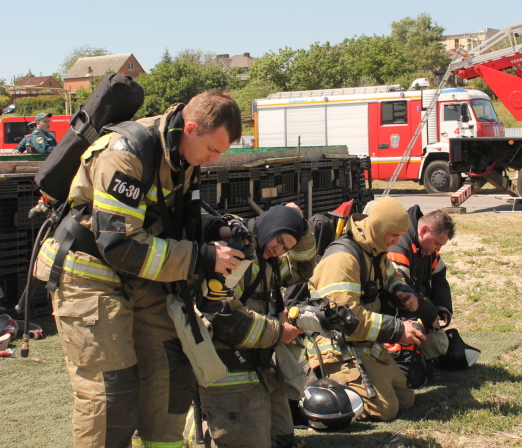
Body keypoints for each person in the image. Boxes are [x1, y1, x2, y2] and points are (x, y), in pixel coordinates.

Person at [33, 90, 243, 447]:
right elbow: (120, 246)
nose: (213, 159)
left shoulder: (183, 155)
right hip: (90, 275)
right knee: (110, 392)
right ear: (190, 128)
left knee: (171, 374)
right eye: (212, 150)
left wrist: (216, 229)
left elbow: (173, 215)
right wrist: (202, 258)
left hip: (139, 275)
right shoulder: (126, 153)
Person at [196, 203, 316, 448]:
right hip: (228, 368)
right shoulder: (238, 252)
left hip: (259, 364)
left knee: (283, 440)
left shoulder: (265, 255)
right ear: (270, 226)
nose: (279, 249)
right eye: (280, 241)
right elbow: (221, 317)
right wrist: (278, 331)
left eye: (286, 247)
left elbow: (300, 272)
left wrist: (301, 229)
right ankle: (199, 430)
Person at [305, 196, 425, 422]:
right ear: (379, 227)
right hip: (336, 346)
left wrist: (401, 290)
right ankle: (315, 397)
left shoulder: (374, 249)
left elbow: (391, 275)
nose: (396, 241)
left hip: (362, 343)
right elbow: (346, 319)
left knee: (406, 399)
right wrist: (398, 330)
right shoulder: (343, 260)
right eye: (394, 235)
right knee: (385, 409)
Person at [386, 207, 455, 368]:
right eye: (437, 243)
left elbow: (439, 275)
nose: (437, 249)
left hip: (413, 304)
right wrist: (430, 315)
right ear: (423, 230)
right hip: (393, 309)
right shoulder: (399, 247)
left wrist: (442, 306)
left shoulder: (427, 246)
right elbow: (404, 292)